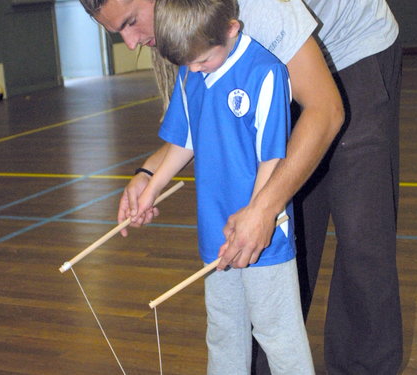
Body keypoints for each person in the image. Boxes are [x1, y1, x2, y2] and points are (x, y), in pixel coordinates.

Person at [78, 0, 403, 374]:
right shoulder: (196, 37)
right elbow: (197, 121)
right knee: (293, 239)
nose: (132, 43)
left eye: (132, 23)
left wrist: (264, 209)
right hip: (276, 62)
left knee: (362, 237)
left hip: (352, 49)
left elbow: (326, 109)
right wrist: (150, 175)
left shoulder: (257, 11)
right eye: (117, 32)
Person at [130, 0, 315, 373]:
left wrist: (254, 217)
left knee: (277, 333)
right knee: (223, 332)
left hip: (264, 236)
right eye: (188, 65)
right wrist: (152, 185)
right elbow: (184, 140)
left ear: (231, 29)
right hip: (215, 233)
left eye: (202, 62)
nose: (195, 71)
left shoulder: (265, 73)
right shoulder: (189, 68)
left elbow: (273, 159)